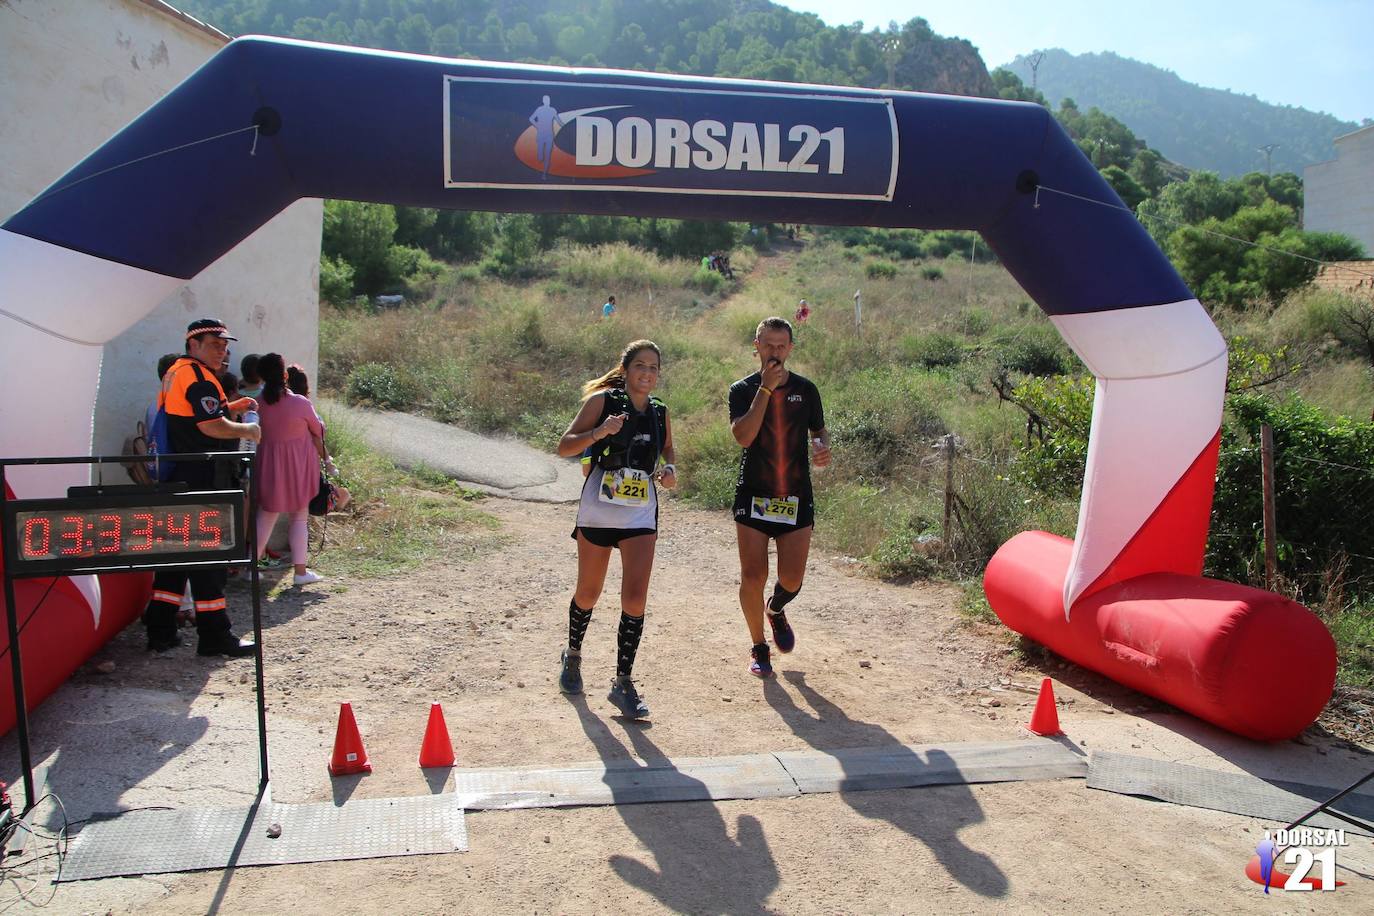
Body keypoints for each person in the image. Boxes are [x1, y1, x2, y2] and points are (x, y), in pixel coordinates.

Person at [555, 340, 677, 719]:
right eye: (640, 365)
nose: (647, 373)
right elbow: (564, 447)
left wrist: (670, 471)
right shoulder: (603, 402)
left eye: (654, 367)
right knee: (589, 593)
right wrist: (599, 433)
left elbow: (668, 451)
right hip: (599, 511)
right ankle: (573, 655)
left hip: (640, 513)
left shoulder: (660, 411)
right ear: (625, 369)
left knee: (635, 599)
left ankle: (623, 682)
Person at [142, 319, 262, 657]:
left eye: (225, 345)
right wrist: (247, 432)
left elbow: (190, 418)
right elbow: (209, 425)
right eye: (214, 344)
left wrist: (233, 408)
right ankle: (214, 636)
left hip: (179, 476)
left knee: (176, 555)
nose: (222, 350)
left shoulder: (177, 372)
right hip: (201, 478)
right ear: (193, 345)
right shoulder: (197, 377)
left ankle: (160, 629)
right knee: (209, 558)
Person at [728, 317, 831, 677]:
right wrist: (765, 391)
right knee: (752, 575)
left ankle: (775, 608)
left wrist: (822, 448)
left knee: (791, 578)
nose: (774, 352)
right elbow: (743, 436)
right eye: (768, 345)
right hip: (754, 495)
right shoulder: (742, 390)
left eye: (781, 345)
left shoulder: (807, 389)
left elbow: (819, 431)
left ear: (790, 348)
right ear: (756, 345)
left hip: (795, 497)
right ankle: (758, 647)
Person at [253, 353, 330, 585]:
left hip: (269, 467)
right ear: (285, 375)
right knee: (299, 518)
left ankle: (252, 567)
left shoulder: (258, 404)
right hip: (299, 467)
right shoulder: (300, 403)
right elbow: (319, 430)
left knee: (265, 517)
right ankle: (300, 572)